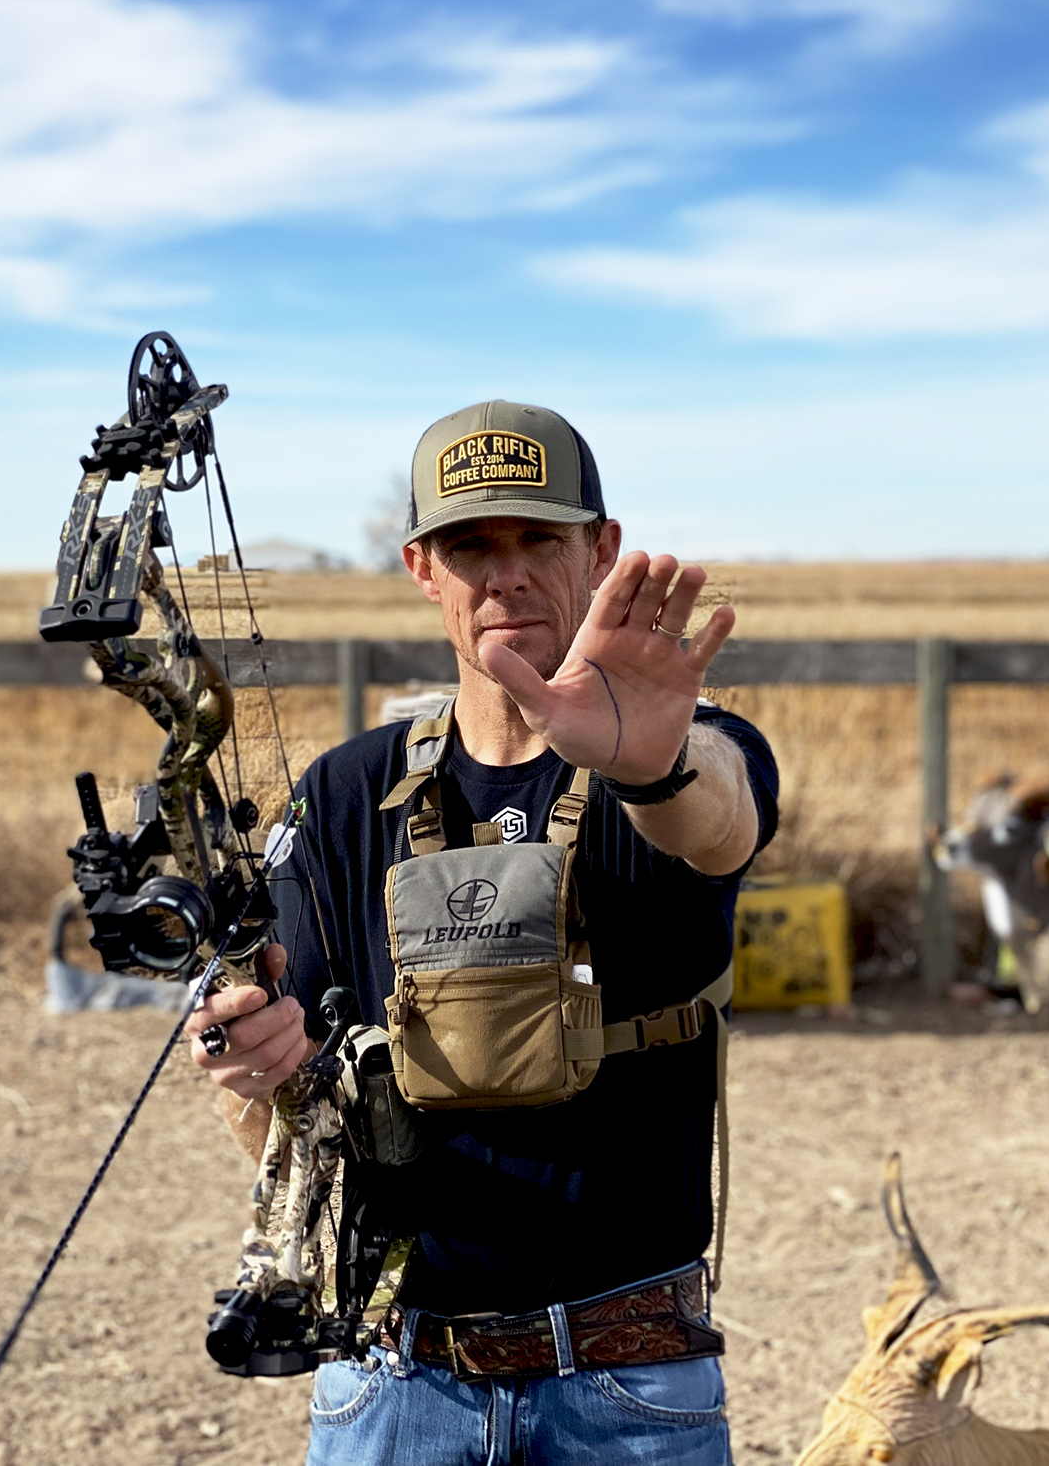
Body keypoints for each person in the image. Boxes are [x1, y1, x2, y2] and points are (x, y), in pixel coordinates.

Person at [189, 399, 779, 1465]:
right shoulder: (344, 794)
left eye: (536, 539)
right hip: (392, 1383)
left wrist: (649, 765)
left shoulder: (681, 748)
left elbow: (720, 822)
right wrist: (254, 1065)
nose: (503, 573)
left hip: (629, 1388)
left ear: (598, 550)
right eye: (470, 544)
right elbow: (297, 1099)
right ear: (422, 567)